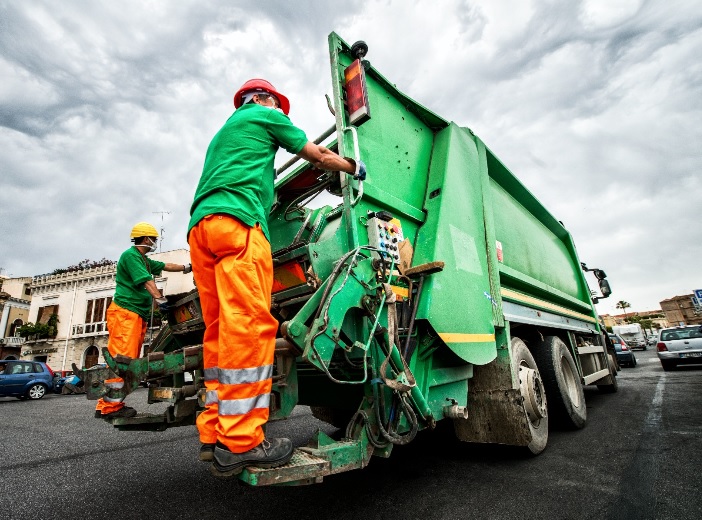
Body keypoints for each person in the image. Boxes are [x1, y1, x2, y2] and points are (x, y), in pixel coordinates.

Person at [188, 78, 366, 477]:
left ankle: (215, 433)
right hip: (239, 226)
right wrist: (354, 167)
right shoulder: (266, 115)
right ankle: (242, 442)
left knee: (218, 333)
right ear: (265, 99)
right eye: (279, 106)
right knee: (249, 328)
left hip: (202, 230)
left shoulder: (225, 133)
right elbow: (316, 154)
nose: (282, 114)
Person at [95, 222, 192, 419]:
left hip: (134, 315)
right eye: (154, 239)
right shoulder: (131, 256)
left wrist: (187, 267)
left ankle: (108, 404)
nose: (155, 242)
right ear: (146, 238)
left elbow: (166, 266)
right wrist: (160, 299)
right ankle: (109, 407)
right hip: (125, 313)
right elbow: (146, 281)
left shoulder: (144, 260)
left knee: (127, 360)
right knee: (122, 360)